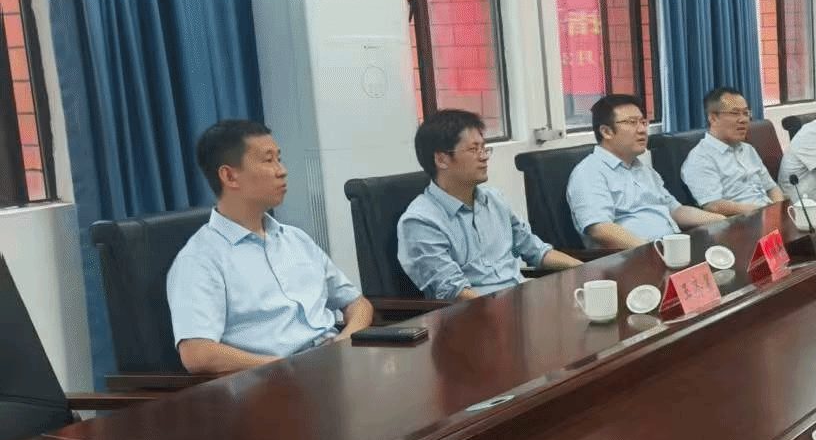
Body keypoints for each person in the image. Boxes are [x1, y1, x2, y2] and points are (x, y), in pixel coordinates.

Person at [167, 119, 373, 374]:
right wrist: (282, 367)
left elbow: (357, 304)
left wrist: (346, 339)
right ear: (229, 176)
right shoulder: (200, 259)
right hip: (275, 381)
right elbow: (198, 354)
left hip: (333, 364)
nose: (282, 171)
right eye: (268, 161)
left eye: (279, 159)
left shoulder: (295, 239)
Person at [398, 109, 581, 301]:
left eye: (484, 148)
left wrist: (587, 271)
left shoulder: (494, 200)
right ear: (441, 159)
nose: (484, 156)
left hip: (520, 299)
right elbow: (454, 292)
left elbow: (537, 251)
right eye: (474, 149)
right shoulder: (421, 221)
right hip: (476, 313)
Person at [568, 94, 722, 249]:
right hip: (634, 257)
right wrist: (654, 249)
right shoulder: (589, 173)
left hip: (670, 248)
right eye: (632, 122)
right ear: (606, 132)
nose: (642, 130)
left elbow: (675, 210)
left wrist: (722, 220)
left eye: (643, 122)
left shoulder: (642, 168)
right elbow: (600, 229)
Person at [681, 86, 785, 216]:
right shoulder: (700, 158)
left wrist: (779, 210)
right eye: (735, 113)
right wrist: (762, 211)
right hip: (741, 221)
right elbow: (713, 206)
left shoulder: (748, 149)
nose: (743, 120)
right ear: (713, 118)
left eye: (746, 113)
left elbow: (772, 188)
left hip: (768, 214)